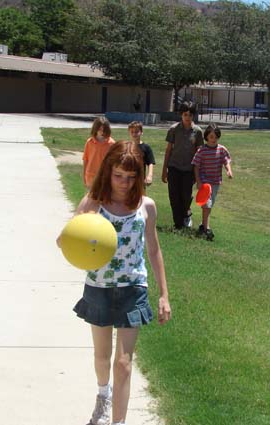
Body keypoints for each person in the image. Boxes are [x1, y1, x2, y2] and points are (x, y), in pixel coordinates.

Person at [59, 141, 171, 425]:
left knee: (123, 363)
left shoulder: (146, 207)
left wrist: (164, 295)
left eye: (131, 177)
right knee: (102, 357)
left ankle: (118, 422)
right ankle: (103, 396)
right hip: (99, 287)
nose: (124, 183)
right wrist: (71, 236)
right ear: (108, 171)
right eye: (118, 175)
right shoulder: (93, 203)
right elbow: (65, 240)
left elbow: (154, 250)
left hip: (133, 288)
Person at [161, 101, 203, 230]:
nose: (187, 117)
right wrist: (164, 170)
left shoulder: (197, 131)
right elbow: (168, 150)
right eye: (185, 114)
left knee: (186, 195)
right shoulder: (174, 129)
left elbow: (198, 153)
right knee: (174, 196)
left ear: (193, 116)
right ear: (181, 115)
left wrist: (197, 173)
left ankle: (186, 214)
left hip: (189, 169)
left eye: (190, 115)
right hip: (174, 167)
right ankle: (178, 224)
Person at [192, 123, 233, 241]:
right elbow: (196, 166)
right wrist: (198, 181)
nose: (213, 139)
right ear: (206, 137)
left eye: (215, 137)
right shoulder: (202, 150)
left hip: (215, 181)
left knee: (209, 204)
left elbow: (226, 161)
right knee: (207, 204)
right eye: (211, 137)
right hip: (205, 182)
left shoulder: (221, 149)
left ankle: (203, 225)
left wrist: (229, 171)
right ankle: (207, 229)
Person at [84, 117, 116, 190]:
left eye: (104, 130)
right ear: (95, 129)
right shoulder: (89, 142)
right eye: (100, 129)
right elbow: (85, 160)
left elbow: (114, 163)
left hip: (105, 177)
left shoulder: (112, 143)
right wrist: (84, 176)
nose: (102, 132)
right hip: (91, 176)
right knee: (91, 196)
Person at [127, 121, 155, 187]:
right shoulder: (127, 146)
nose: (134, 134)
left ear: (141, 132)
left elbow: (150, 163)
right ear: (129, 132)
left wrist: (150, 176)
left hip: (140, 179)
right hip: (127, 179)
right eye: (132, 132)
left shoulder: (146, 147)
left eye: (136, 132)